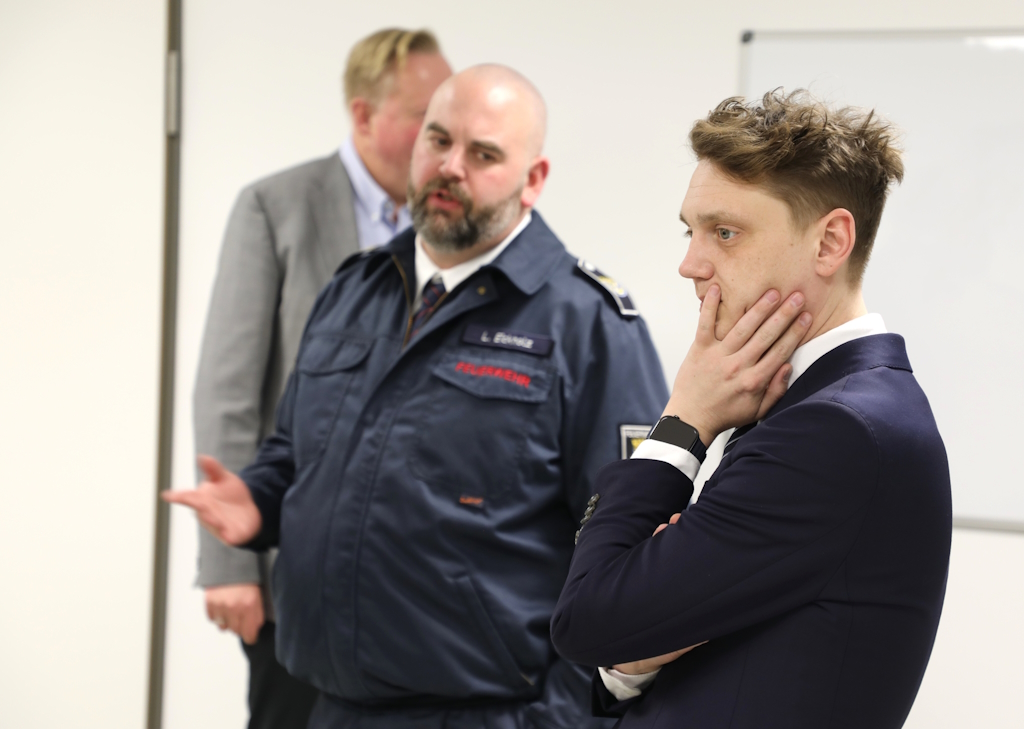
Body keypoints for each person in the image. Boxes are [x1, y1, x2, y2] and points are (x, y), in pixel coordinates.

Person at [168, 64, 668, 729]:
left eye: (483, 154)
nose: (450, 166)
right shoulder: (354, 289)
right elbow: (296, 450)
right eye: (438, 140)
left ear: (533, 179)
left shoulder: (587, 324)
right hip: (327, 703)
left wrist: (561, 717)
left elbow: (631, 552)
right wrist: (257, 500)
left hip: (489, 714)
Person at [551, 90, 952, 729]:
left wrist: (683, 420)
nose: (690, 264)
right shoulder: (800, 404)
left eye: (725, 233)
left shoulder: (838, 430)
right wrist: (631, 655)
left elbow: (588, 620)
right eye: (690, 230)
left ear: (830, 243)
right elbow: (624, 641)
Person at [192, 27, 451, 729]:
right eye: (425, 119)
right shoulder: (275, 207)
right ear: (364, 115)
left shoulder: (455, 221)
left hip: (417, 581)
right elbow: (227, 394)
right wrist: (229, 564)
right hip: (298, 570)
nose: (442, 142)